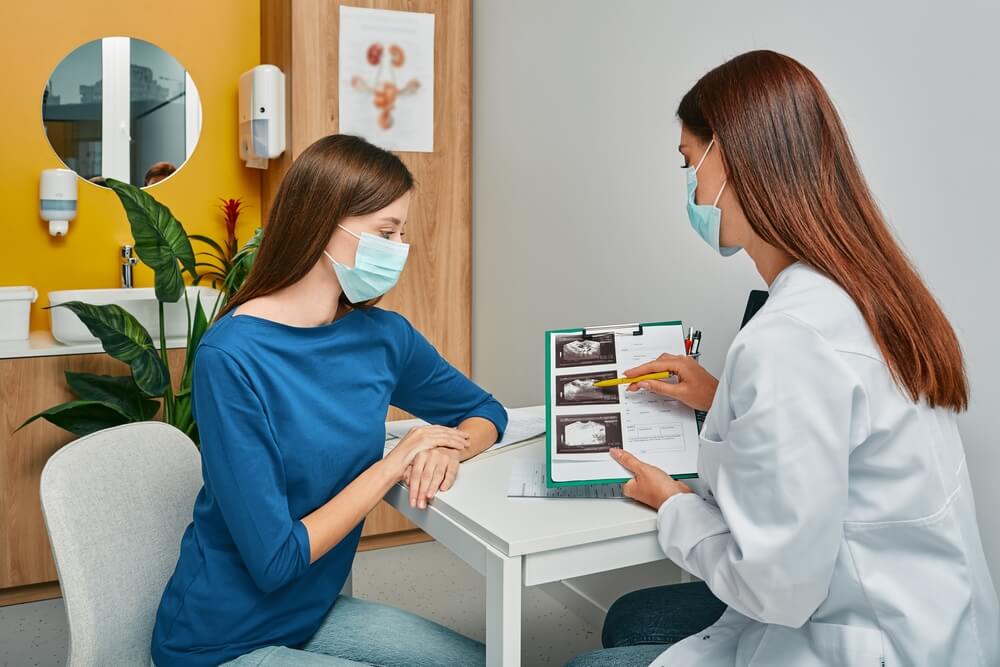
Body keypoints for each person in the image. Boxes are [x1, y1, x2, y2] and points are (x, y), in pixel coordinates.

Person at [568, 49, 999, 667]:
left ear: (734, 160)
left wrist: (672, 504)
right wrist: (721, 399)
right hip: (934, 620)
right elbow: (844, 431)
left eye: (689, 164)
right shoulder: (867, 289)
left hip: (853, 639)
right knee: (632, 618)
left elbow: (777, 590)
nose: (690, 186)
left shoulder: (789, 338)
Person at [150, 134, 507, 667]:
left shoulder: (384, 337)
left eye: (401, 232)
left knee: (489, 662)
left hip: (308, 615)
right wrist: (393, 466)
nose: (398, 249)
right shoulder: (231, 356)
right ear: (323, 224)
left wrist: (448, 450)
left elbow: (485, 412)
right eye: (385, 232)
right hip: (220, 641)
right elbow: (275, 561)